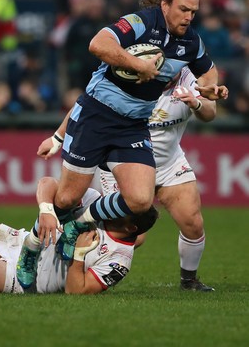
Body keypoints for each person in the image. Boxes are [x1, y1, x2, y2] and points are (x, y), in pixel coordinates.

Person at [38, 0, 219, 238]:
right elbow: (97, 44)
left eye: (193, 11)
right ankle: (33, 241)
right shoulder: (140, 22)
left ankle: (80, 223)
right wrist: (138, 65)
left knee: (140, 201)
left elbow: (209, 73)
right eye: (183, 9)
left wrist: (208, 89)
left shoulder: (191, 42)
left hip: (133, 126)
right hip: (97, 115)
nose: (189, 17)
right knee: (66, 199)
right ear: (165, 5)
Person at [24, 68, 228, 292]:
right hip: (123, 163)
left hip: (168, 163)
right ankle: (73, 266)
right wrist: (57, 137)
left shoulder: (191, 78)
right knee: (134, 237)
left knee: (193, 222)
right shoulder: (130, 75)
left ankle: (189, 281)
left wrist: (195, 103)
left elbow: (209, 112)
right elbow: (87, 104)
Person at [0, 177, 158, 295]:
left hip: (26, 279)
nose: (118, 204)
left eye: (126, 208)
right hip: (23, 242)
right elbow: (48, 183)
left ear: (132, 227)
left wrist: (78, 255)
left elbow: (76, 291)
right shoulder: (98, 204)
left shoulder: (119, 261)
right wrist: (46, 210)